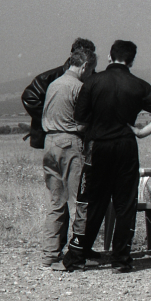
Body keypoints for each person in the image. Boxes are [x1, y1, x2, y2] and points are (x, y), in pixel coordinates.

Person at [58, 40, 151, 273]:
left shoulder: (92, 83)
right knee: (125, 204)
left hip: (97, 147)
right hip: (125, 146)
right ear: (131, 60)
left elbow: (80, 122)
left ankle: (76, 257)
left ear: (110, 57)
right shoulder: (138, 85)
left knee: (90, 202)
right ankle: (121, 260)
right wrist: (141, 132)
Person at [39, 47, 97, 268]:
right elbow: (82, 123)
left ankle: (49, 254)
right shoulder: (79, 87)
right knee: (77, 202)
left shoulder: (54, 84)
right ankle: (76, 254)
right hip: (70, 142)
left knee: (56, 201)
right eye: (90, 70)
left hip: (50, 143)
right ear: (84, 67)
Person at [21, 37, 96, 150]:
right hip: (57, 136)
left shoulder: (96, 78)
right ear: (72, 55)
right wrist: (53, 118)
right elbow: (29, 97)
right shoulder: (48, 78)